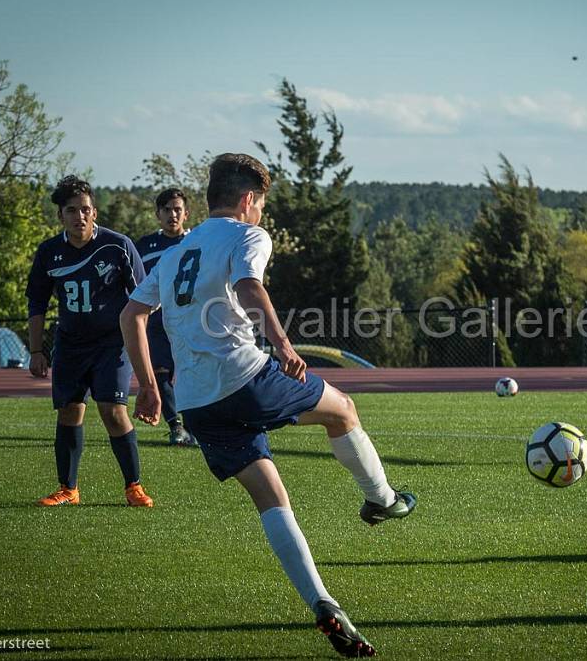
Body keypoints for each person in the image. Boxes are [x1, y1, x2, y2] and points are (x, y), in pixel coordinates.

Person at [120, 152, 415, 657]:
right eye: (260, 204)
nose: (261, 214)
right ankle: (383, 499)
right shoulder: (246, 236)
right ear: (248, 200)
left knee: (271, 496)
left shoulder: (172, 255)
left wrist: (147, 385)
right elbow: (249, 285)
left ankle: (323, 602)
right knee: (342, 409)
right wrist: (282, 342)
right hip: (245, 376)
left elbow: (132, 314)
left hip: (196, 402)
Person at [26, 175, 153, 508]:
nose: (79, 216)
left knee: (112, 411)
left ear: (94, 212)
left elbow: (144, 297)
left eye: (85, 210)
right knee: (69, 411)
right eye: (71, 210)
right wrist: (36, 350)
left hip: (112, 344)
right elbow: (37, 303)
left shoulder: (118, 245)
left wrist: (140, 340)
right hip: (69, 344)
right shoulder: (49, 252)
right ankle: (68, 488)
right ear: (61, 216)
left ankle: (134, 486)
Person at [135, 187, 197, 446]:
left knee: (191, 373)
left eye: (178, 209)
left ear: (186, 213)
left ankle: (196, 427)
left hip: (192, 320)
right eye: (167, 210)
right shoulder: (145, 245)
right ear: (158, 214)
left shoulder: (198, 241)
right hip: (157, 321)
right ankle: (176, 427)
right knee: (161, 372)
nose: (173, 214)